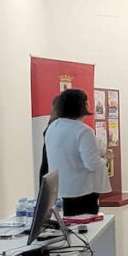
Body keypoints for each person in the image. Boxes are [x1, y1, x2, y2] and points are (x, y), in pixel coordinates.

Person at [44, 88, 110, 216]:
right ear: (83, 105)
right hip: (82, 191)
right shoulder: (83, 131)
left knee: (69, 224)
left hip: (61, 189)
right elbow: (92, 164)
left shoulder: (52, 127)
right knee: (86, 229)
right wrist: (107, 158)